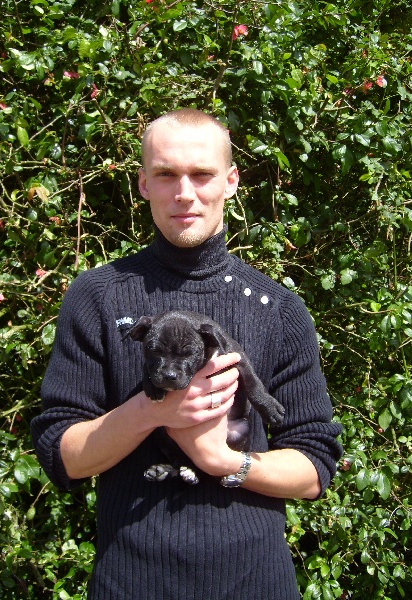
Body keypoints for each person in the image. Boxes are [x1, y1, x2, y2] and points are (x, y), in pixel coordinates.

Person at [31, 108, 342, 600]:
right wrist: (152, 410)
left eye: (201, 174)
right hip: (129, 584)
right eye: (165, 174)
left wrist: (222, 460)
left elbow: (314, 467)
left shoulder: (279, 310)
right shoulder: (97, 296)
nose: (184, 193)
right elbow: (61, 454)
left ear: (231, 181)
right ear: (143, 184)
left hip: (256, 585)